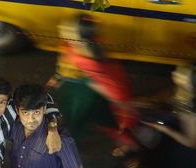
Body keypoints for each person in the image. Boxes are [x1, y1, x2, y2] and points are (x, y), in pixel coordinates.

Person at [48, 14, 138, 154]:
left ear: (80, 39)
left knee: (81, 124)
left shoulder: (87, 60)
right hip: (73, 93)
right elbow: (64, 63)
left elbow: (110, 88)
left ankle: (133, 150)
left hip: (82, 98)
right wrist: (57, 77)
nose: (60, 28)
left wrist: (123, 104)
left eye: (67, 29)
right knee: (93, 121)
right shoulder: (74, 44)